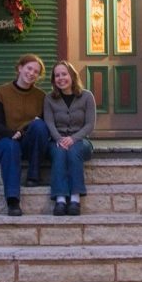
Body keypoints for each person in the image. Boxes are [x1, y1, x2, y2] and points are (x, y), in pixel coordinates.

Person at [0, 53, 49, 216]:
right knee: (10, 147)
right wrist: (11, 134)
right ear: (20, 68)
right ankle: (13, 201)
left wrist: (24, 130)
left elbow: (43, 124)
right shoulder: (1, 92)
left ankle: (33, 176)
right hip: (7, 139)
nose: (31, 73)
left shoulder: (41, 96)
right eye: (29, 68)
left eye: (36, 72)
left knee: (39, 126)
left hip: (29, 141)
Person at [43, 60, 96, 216]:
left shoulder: (86, 96)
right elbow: (49, 123)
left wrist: (73, 139)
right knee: (59, 153)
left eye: (64, 74)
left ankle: (75, 199)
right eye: (57, 75)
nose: (61, 78)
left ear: (72, 75)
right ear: (54, 80)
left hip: (81, 141)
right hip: (56, 141)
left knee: (73, 151)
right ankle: (60, 199)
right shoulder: (49, 99)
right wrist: (59, 139)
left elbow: (90, 125)